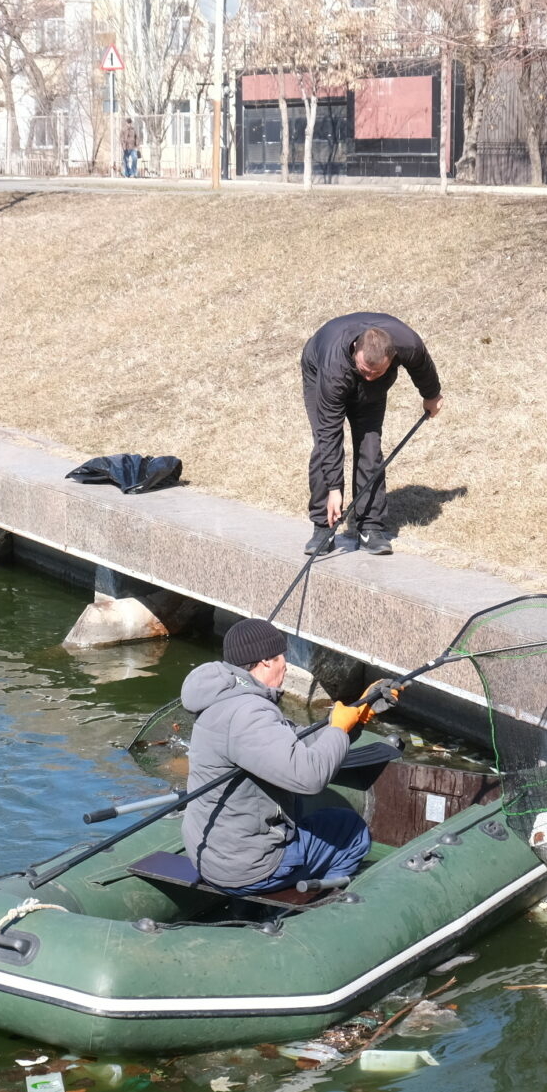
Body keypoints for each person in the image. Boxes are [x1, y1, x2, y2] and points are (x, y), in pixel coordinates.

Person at [180, 618, 377, 894]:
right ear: (266, 662)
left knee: (314, 818)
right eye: (282, 655)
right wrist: (338, 731)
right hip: (250, 868)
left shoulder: (225, 697)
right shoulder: (248, 713)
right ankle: (319, 907)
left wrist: (356, 720)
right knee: (351, 830)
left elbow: (292, 741)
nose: (286, 663)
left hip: (211, 855)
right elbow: (309, 778)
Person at [300, 311, 443, 557]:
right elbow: (329, 434)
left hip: (371, 383)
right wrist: (334, 489)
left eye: (375, 373)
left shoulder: (407, 343)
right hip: (319, 368)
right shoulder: (333, 370)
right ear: (356, 349)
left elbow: (422, 365)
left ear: (393, 356)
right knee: (324, 446)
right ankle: (323, 526)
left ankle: (370, 526)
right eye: (365, 370)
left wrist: (431, 394)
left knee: (370, 444)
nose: (368, 377)